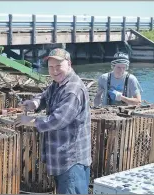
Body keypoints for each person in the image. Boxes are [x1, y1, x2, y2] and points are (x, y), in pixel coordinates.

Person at [14, 48, 91, 194]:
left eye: (58, 66)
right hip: (60, 159)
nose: (55, 71)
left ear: (69, 64)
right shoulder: (57, 83)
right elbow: (44, 96)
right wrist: (34, 103)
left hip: (72, 160)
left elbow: (57, 120)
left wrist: (30, 120)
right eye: (51, 67)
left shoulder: (73, 90)